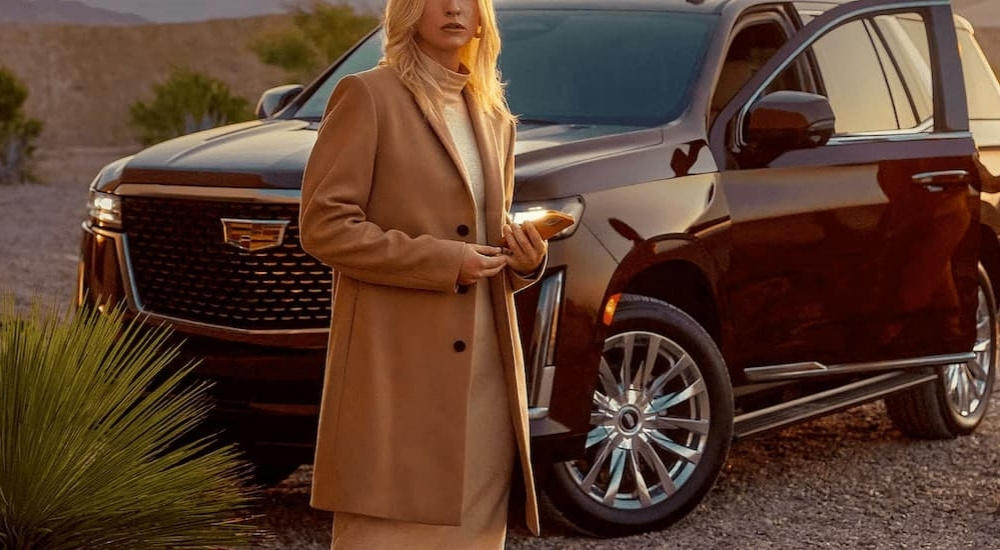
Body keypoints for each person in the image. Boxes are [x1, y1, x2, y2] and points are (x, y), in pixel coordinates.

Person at [298, 0, 547, 546]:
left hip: (485, 366)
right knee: (385, 532)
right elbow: (324, 226)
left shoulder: (494, 117)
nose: (453, 7)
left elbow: (484, 231)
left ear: (483, 18)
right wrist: (442, 262)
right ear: (408, 10)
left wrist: (525, 262)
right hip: (395, 366)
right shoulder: (368, 96)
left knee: (474, 532)